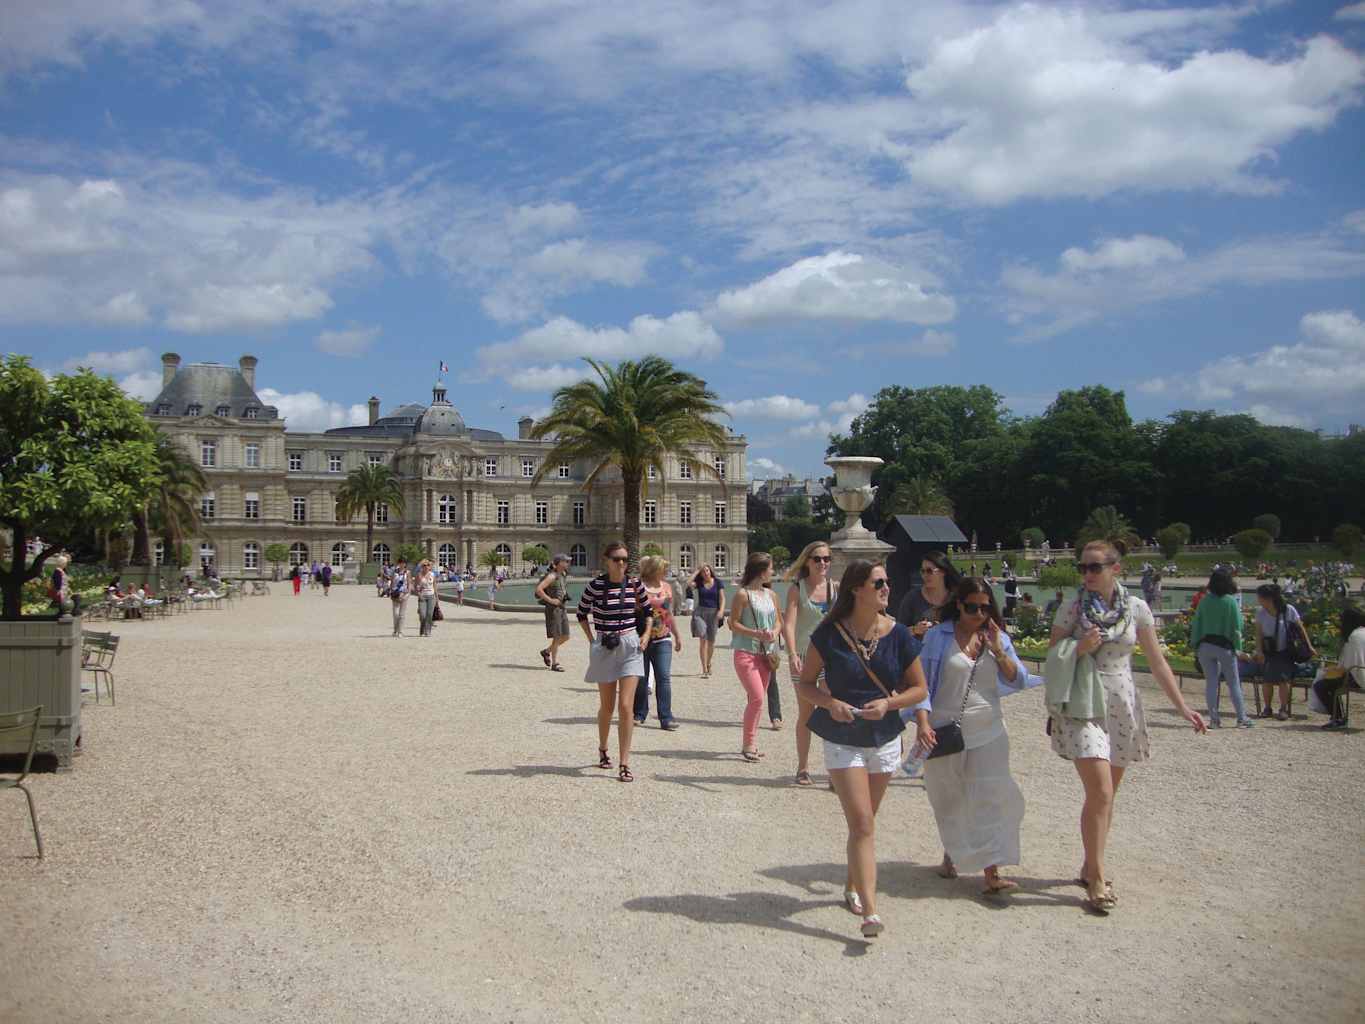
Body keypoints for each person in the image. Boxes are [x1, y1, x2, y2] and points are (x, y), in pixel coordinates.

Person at [1048, 540, 1206, 914]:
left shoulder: (1136, 609)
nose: (1087, 574)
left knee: (1105, 797)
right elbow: (1054, 654)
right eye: (1083, 567)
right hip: (1084, 704)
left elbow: (1157, 662)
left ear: (1115, 569)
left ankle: (1089, 865)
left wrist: (1182, 707)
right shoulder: (1072, 607)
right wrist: (1080, 647)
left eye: (1094, 567)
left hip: (1122, 705)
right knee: (1101, 791)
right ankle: (1098, 880)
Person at [797, 560, 930, 938]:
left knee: (865, 822)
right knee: (862, 823)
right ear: (857, 589)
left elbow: (919, 689)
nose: (887, 587)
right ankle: (871, 912)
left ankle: (852, 883)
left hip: (884, 737)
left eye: (887, 581)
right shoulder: (828, 634)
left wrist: (889, 703)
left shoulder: (899, 634)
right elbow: (805, 684)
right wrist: (829, 703)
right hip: (843, 738)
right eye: (878, 582)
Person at [914, 577, 1033, 895]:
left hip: (989, 729)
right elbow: (920, 684)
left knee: (989, 798)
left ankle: (992, 872)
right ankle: (953, 850)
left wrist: (998, 651)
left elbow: (1019, 679)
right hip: (944, 729)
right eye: (971, 607)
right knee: (950, 797)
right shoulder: (937, 637)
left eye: (984, 608)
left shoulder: (997, 638)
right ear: (958, 604)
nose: (979, 614)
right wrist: (922, 723)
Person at [577, 542, 649, 782]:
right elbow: (581, 613)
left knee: (626, 706)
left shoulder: (635, 584)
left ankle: (624, 763)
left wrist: (645, 635)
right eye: (617, 559)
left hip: (630, 645)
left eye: (624, 559)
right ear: (606, 560)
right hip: (605, 645)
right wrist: (592, 640)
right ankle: (603, 748)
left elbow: (649, 612)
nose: (621, 563)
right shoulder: (595, 586)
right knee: (607, 707)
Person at [895, 550, 962, 778]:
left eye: (929, 571)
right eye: (922, 571)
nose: (924, 575)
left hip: (949, 660)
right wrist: (915, 630)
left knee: (939, 711)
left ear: (942, 572)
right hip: (918, 662)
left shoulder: (956, 598)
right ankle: (922, 762)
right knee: (923, 711)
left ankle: (926, 762)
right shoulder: (912, 598)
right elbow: (898, 632)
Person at [782, 541, 837, 786]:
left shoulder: (834, 589)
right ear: (807, 561)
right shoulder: (797, 589)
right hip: (804, 657)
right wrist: (792, 654)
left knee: (832, 711)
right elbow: (789, 624)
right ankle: (803, 767)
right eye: (817, 559)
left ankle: (835, 770)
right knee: (806, 712)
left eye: (826, 559)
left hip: (830, 659)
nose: (822, 563)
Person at [728, 553, 786, 761]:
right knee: (758, 697)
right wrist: (756, 633)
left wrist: (774, 632)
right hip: (746, 653)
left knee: (757, 701)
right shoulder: (742, 595)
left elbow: (779, 620)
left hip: (766, 654)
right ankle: (748, 744)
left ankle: (750, 743)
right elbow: (733, 623)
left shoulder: (772, 595)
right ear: (761, 571)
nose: (773, 572)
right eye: (770, 568)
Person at [1189, 570, 1252, 728]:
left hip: (1205, 645)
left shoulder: (1204, 601)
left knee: (1211, 683)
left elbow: (1196, 624)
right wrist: (1238, 648)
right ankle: (1241, 718)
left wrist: (1195, 644)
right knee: (1233, 683)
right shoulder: (1230, 601)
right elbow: (1237, 626)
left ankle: (1214, 719)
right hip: (1224, 646)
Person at [633, 555, 682, 729]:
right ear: (655, 569)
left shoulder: (667, 587)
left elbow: (669, 615)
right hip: (641, 638)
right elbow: (630, 611)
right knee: (641, 678)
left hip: (663, 638)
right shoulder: (638, 587)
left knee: (663, 677)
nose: (667, 571)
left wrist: (677, 635)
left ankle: (666, 717)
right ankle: (639, 713)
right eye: (664, 568)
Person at [1253, 583, 1315, 720]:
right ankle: (1267, 708)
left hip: (1286, 650)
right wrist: (1259, 651)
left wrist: (1309, 646)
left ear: (1268, 598)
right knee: (1267, 680)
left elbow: (1301, 628)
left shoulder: (1288, 609)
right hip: (1269, 650)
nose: (1258, 600)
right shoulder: (1260, 612)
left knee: (1284, 680)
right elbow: (1259, 634)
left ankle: (1283, 708)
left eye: (1260, 598)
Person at [1312, 604, 1365, 730]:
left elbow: (1348, 665)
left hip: (1357, 676)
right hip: (1360, 671)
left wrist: (1332, 669)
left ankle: (1338, 718)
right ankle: (1338, 717)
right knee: (1330, 683)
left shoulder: (1354, 637)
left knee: (1321, 686)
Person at [535, 554, 573, 672]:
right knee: (557, 636)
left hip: (562, 608)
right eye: (565, 561)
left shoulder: (563, 574)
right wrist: (551, 600)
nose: (568, 563)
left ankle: (546, 652)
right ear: (559, 563)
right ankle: (555, 663)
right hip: (553, 610)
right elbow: (539, 589)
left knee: (566, 636)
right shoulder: (552, 576)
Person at [689, 564, 726, 678]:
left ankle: (708, 662)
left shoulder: (718, 582)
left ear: (710, 571)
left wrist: (721, 611)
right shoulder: (699, 583)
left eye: (707, 570)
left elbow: (722, 598)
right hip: (700, 613)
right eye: (703, 571)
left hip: (713, 613)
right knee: (703, 639)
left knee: (711, 641)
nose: (705, 573)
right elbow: (688, 584)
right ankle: (704, 668)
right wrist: (696, 570)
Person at [414, 560, 437, 636]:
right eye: (424, 565)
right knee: (422, 615)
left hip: (431, 596)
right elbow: (415, 586)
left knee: (429, 614)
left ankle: (428, 631)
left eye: (428, 565)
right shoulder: (419, 575)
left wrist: (437, 597)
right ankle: (422, 628)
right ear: (422, 567)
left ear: (429, 567)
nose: (426, 567)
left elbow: (434, 586)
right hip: (422, 596)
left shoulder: (432, 574)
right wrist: (418, 594)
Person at [389, 558, 410, 638]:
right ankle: (395, 630)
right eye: (400, 563)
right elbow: (392, 583)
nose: (402, 564)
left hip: (404, 594)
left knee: (401, 614)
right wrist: (391, 593)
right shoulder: (394, 572)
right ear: (398, 563)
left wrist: (407, 594)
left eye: (403, 563)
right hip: (395, 594)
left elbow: (409, 584)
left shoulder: (407, 572)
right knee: (396, 614)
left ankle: (400, 631)